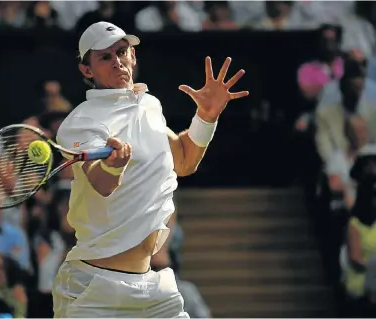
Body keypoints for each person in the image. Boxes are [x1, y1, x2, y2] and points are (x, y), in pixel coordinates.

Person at [53, 21, 248, 318]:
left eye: (122, 51)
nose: (117, 61)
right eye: (104, 57)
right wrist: (113, 166)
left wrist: (206, 117)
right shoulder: (80, 122)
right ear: (87, 70)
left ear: (133, 55)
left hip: (153, 287)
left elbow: (183, 160)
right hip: (95, 289)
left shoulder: (149, 105)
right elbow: (101, 182)